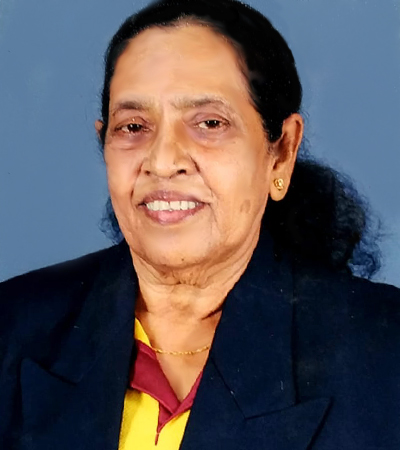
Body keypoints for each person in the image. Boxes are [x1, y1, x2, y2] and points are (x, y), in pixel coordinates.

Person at [1, 0, 399, 449]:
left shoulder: (385, 355)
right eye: (133, 127)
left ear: (281, 153)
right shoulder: (12, 327)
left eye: (209, 123)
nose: (162, 161)